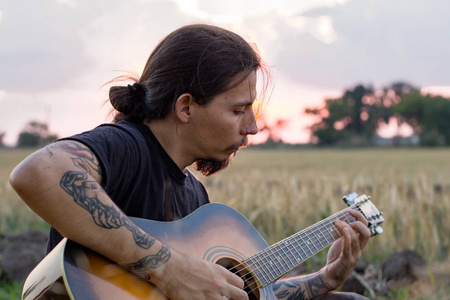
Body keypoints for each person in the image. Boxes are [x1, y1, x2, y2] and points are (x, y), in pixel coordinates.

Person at [10, 24, 371, 300]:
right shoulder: (128, 146)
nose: (253, 127)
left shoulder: (197, 203)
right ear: (185, 107)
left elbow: (231, 290)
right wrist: (167, 268)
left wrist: (324, 279)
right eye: (238, 110)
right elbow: (39, 172)